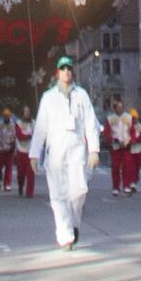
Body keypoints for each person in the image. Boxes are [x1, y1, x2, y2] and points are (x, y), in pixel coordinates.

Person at [37, 52, 102, 251]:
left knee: (78, 192)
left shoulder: (81, 95)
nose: (66, 72)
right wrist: (33, 153)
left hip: (77, 152)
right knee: (58, 196)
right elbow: (40, 128)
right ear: (57, 72)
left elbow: (90, 123)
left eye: (69, 68)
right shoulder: (48, 98)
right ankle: (65, 236)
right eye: (63, 68)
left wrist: (94, 150)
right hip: (56, 153)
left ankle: (74, 223)